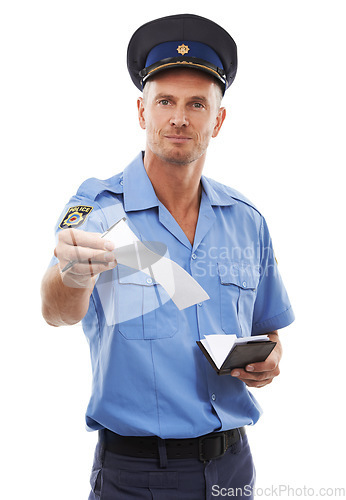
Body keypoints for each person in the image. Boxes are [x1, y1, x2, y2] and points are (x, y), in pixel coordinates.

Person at [41, 13, 295, 500]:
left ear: (217, 120)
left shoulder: (247, 220)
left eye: (197, 104)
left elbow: (269, 332)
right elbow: (55, 312)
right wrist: (72, 276)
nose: (179, 117)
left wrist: (270, 360)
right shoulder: (97, 210)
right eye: (165, 102)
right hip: (138, 475)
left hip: (233, 470)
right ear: (142, 112)